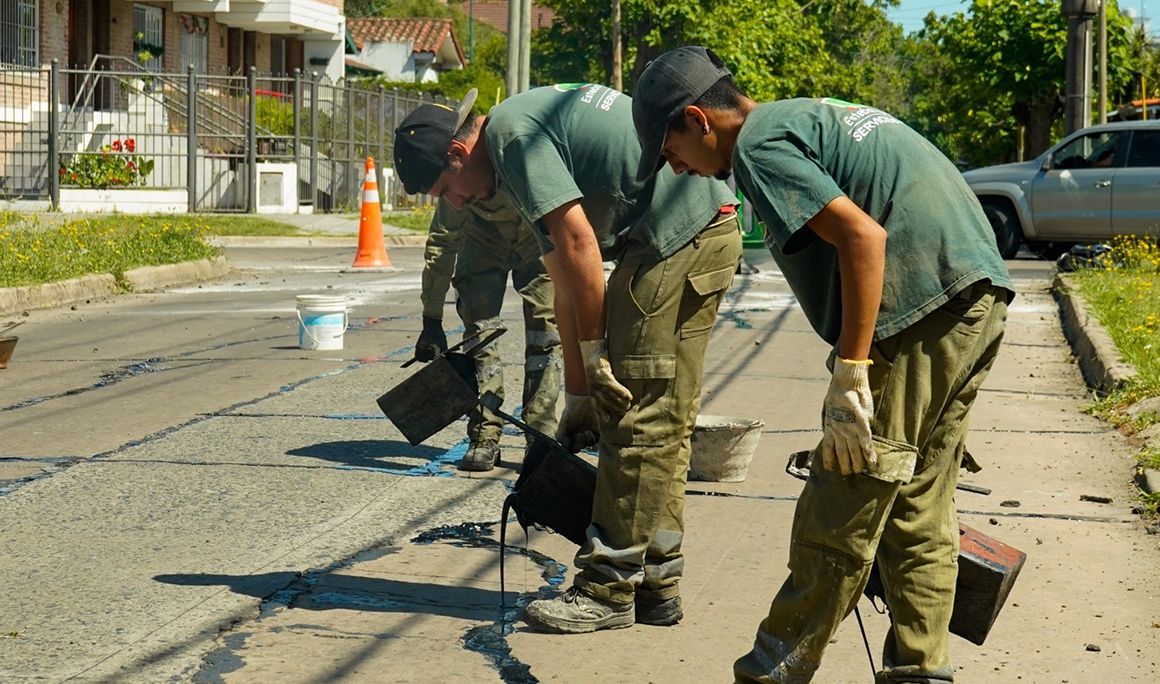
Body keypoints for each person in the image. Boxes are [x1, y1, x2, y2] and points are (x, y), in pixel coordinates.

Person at [630, 47, 1014, 684]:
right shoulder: (800, 116)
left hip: (920, 306)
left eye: (667, 149)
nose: (672, 165)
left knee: (845, 493)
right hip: (975, 296)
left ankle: (772, 672)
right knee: (917, 504)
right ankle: (919, 670)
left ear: (698, 120)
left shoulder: (757, 146)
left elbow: (864, 237)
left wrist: (852, 373)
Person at [393, 86, 742, 633]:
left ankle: (608, 587)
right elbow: (562, 281)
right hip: (702, 228)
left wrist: (599, 355)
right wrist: (577, 393)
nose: (456, 205)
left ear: (458, 155)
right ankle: (656, 579)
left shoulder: (511, 138)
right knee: (664, 416)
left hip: (677, 237)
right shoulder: (515, 146)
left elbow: (580, 246)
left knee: (633, 416)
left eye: (447, 191)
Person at [414, 193, 561, 471]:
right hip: (482, 238)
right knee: (479, 332)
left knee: (546, 331)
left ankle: (541, 436)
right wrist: (431, 317)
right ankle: (485, 434)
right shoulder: (456, 180)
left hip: (538, 233)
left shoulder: (524, 155)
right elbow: (443, 240)